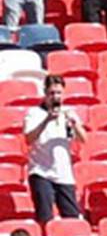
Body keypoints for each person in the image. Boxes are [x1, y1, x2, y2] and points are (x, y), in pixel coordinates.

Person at [25, 76, 84, 226]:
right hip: (41, 171)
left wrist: (75, 124)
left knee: (72, 218)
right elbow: (29, 139)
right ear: (45, 93)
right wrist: (46, 121)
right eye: (52, 93)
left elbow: (83, 139)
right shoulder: (34, 113)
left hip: (63, 173)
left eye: (58, 93)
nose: (56, 97)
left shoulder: (68, 113)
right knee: (45, 217)